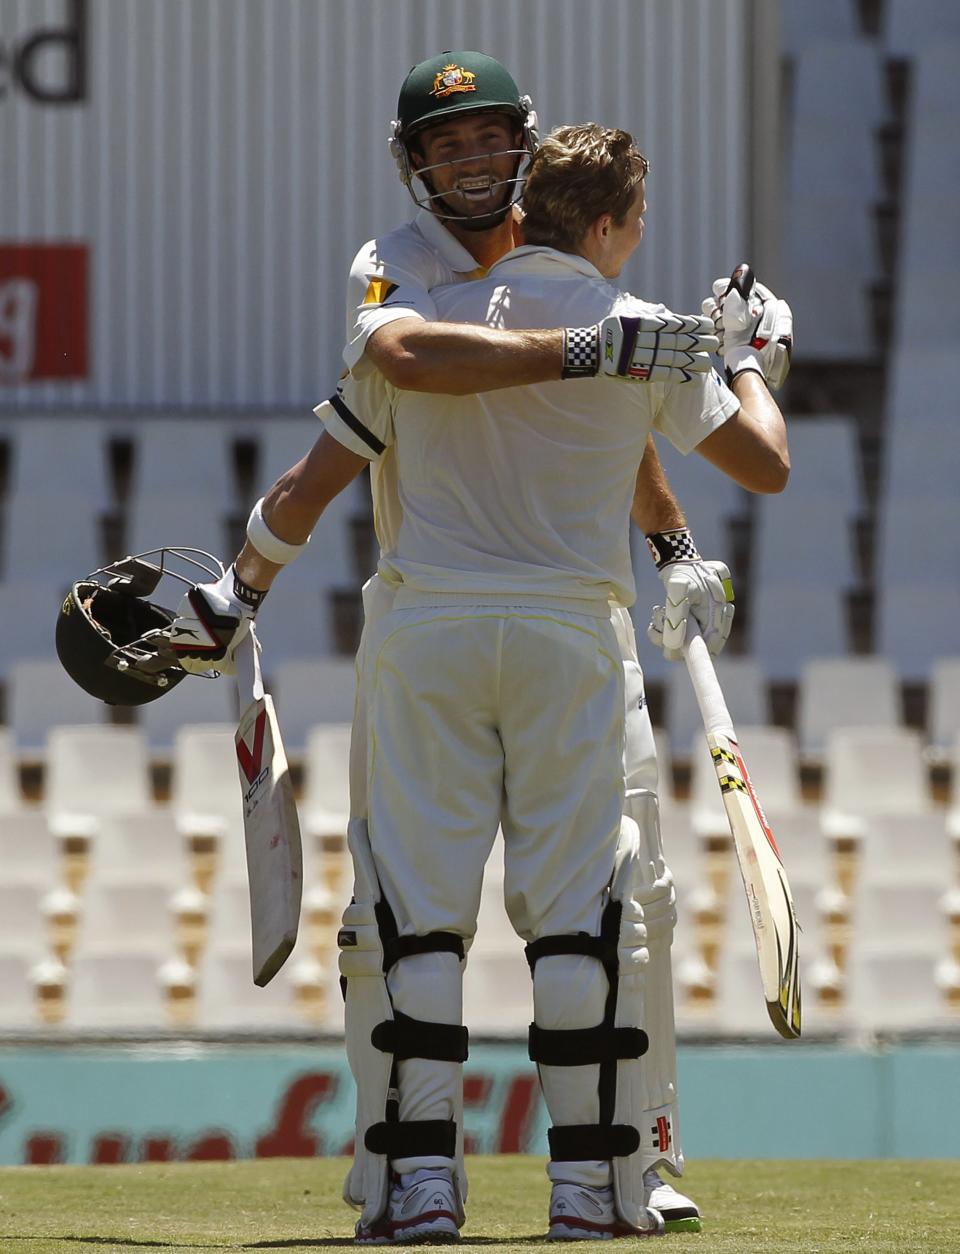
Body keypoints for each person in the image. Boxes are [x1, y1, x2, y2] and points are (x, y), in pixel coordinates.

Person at [170, 122, 791, 1242]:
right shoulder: (644, 332)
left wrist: (239, 591)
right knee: (580, 925)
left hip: (427, 634)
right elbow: (768, 460)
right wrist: (749, 353)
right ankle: (592, 1190)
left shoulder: (424, 324)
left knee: (411, 923)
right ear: (603, 227)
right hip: (567, 634)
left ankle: (418, 1190)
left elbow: (312, 486)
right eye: (636, 223)